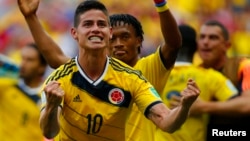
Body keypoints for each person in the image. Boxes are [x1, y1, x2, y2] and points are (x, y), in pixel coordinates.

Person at [22, 0, 200, 140]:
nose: (95, 29)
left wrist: (184, 107)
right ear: (75, 33)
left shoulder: (135, 77)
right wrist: (52, 106)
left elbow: (166, 121)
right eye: (88, 24)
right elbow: (49, 131)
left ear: (108, 32)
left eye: (101, 25)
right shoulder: (61, 77)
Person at [154, 24, 238, 141]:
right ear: (196, 48)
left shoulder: (153, 74)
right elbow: (238, 103)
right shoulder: (210, 76)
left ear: (165, 46)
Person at [194, 20, 250, 140]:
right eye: (202, 37)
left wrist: (204, 107)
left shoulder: (244, 66)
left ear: (227, 46)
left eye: (213, 38)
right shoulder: (194, 72)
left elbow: (247, 104)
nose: (205, 42)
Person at [0, 43, 49, 141]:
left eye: (29, 60)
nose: (23, 64)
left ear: (41, 67)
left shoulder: (47, 97)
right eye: (22, 58)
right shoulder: (6, 86)